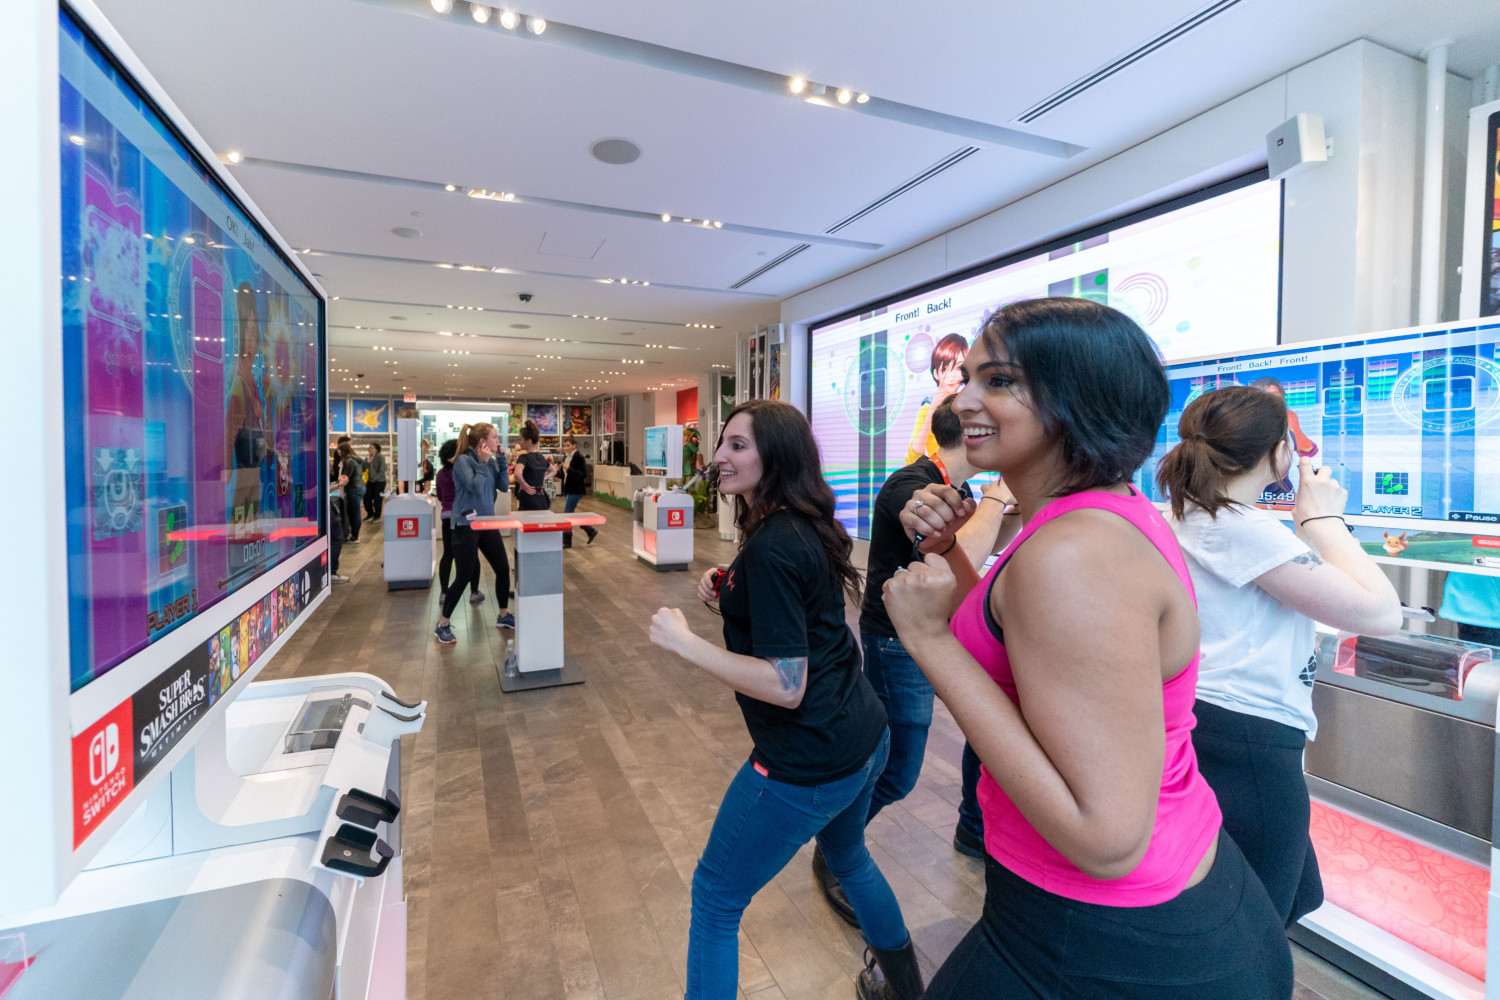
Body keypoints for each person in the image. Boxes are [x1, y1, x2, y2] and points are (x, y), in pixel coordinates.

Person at [888, 298, 1291, 1000]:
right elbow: (1019, 649)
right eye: (970, 377)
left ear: (1076, 401)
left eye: (1000, 380)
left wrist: (926, 641)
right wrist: (952, 555)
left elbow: (1107, 838)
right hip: (1122, 915)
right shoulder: (1086, 519)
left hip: (1115, 940)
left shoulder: (1075, 553)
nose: (964, 398)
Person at [648, 400, 920, 1000]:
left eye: (739, 445)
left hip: (808, 761)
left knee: (715, 898)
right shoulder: (796, 525)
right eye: (723, 443)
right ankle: (907, 988)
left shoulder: (774, 545)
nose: (720, 456)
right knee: (849, 860)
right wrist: (731, 590)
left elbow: (786, 684)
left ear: (778, 456)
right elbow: (803, 618)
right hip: (863, 737)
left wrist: (684, 643)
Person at [1154, 384, 1402, 929]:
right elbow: (1383, 613)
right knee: (1257, 924)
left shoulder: (1188, 517)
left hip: (1209, 722)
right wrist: (1318, 519)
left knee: (1292, 893)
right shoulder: (1242, 529)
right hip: (1246, 736)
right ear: (1277, 453)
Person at [812, 397, 1021, 926]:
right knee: (897, 768)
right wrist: (997, 501)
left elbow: (971, 559)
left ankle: (840, 841)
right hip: (894, 641)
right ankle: (838, 845)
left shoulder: (956, 488)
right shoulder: (913, 486)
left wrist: (1006, 512)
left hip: (922, 637)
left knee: (889, 761)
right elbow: (953, 558)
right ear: (971, 434)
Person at [434, 422, 513, 644]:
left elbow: (504, 486)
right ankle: (443, 624)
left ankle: (504, 616)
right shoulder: (462, 461)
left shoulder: (490, 461)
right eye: (495, 437)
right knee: (464, 576)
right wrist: (483, 462)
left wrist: (502, 461)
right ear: (482, 441)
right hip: (465, 525)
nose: (497, 441)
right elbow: (475, 487)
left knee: (503, 569)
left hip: (487, 522)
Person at [905, 333, 969, 463]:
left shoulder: (965, 406)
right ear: (936, 373)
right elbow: (912, 459)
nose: (951, 376)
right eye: (945, 368)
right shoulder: (927, 408)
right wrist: (931, 411)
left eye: (958, 368)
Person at [434, 439, 483, 606]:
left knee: (448, 554)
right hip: (463, 517)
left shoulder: (440, 474)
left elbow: (440, 497)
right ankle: (474, 592)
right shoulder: (463, 471)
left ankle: (443, 592)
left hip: (446, 516)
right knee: (472, 555)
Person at [559, 434, 598, 548]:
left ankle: (567, 541)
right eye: (565, 446)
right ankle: (589, 530)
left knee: (567, 515)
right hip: (569, 489)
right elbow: (565, 475)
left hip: (575, 490)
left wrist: (568, 469)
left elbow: (582, 474)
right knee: (569, 514)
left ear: (574, 445)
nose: (566, 448)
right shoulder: (567, 457)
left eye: (568, 445)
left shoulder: (578, 457)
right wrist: (558, 472)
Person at [512, 421, 554, 512]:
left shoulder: (524, 458)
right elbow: (554, 471)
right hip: (541, 498)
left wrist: (524, 484)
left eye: (520, 440)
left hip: (528, 498)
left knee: (526, 524)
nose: (519, 443)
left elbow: (517, 474)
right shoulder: (542, 458)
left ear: (528, 441)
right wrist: (543, 478)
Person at [336, 441, 365, 543]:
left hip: (353, 489)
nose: (337, 452)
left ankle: (355, 536)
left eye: (339, 450)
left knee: (354, 513)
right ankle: (354, 534)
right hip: (358, 487)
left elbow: (345, 477)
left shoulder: (349, 462)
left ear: (343, 450)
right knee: (354, 512)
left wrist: (337, 484)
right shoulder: (354, 459)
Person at [364, 442, 388, 521]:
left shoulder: (380, 457)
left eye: (372, 448)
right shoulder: (367, 457)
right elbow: (364, 468)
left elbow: (382, 470)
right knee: (366, 498)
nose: (370, 449)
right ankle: (370, 513)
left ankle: (377, 516)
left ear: (377, 450)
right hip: (369, 481)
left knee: (377, 499)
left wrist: (375, 478)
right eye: (369, 448)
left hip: (379, 481)